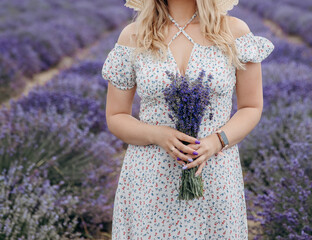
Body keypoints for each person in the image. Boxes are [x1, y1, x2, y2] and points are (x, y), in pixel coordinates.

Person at [102, 0, 274, 239]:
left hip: (215, 173)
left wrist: (217, 141)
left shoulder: (233, 31)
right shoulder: (134, 35)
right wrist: (157, 134)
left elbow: (251, 107)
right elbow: (116, 115)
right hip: (150, 178)